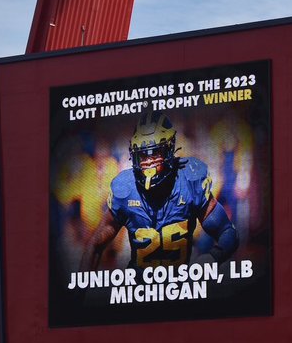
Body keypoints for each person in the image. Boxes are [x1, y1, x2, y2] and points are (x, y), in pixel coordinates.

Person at [85, 111, 238, 269]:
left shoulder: (190, 179)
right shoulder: (126, 188)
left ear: (169, 149)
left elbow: (227, 232)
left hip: (181, 288)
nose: (149, 162)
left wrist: (212, 257)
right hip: (139, 290)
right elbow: (95, 244)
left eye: (155, 153)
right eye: (143, 155)